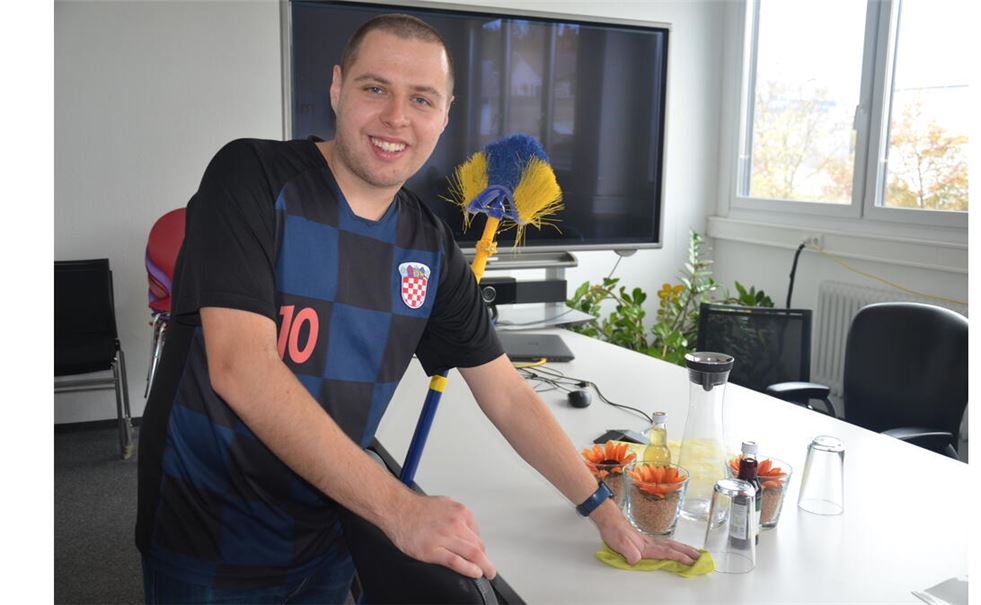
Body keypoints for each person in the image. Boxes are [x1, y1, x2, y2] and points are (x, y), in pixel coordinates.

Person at [135, 13, 700, 603]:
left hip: (332, 531)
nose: (396, 117)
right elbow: (240, 368)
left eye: (421, 99)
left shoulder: (428, 246)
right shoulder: (250, 176)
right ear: (336, 89)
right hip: (208, 536)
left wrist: (602, 509)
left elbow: (506, 393)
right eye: (374, 88)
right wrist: (399, 509)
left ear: (445, 115)